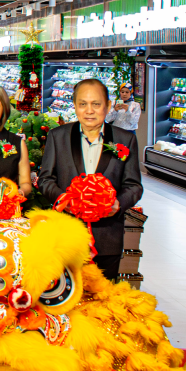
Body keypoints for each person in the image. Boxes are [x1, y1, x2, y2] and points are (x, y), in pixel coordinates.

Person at [38, 79, 144, 281]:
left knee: (101, 300)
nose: (89, 111)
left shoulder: (125, 139)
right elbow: (45, 179)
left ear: (108, 105)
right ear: (75, 106)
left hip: (107, 235)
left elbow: (134, 186)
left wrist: (118, 204)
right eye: (82, 104)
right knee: (65, 297)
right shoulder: (57, 136)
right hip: (67, 234)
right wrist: (64, 199)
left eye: (96, 104)